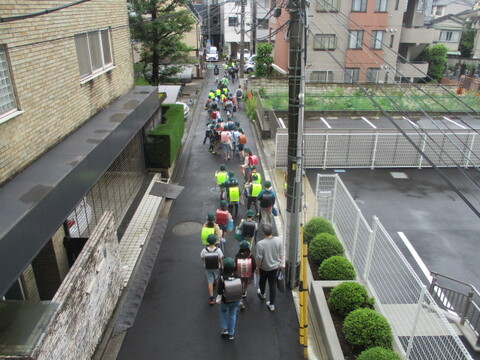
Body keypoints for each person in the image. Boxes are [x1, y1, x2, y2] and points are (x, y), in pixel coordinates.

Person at [255, 223, 284, 312]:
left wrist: (257, 268)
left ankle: (263, 294)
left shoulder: (260, 244)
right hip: (274, 267)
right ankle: (271, 304)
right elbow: (281, 253)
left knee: (262, 281)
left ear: (263, 232)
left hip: (264, 268)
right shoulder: (278, 240)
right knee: (272, 285)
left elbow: (259, 258)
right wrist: (280, 264)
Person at [218, 257, 242, 340]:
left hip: (225, 300)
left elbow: (219, 291)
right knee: (232, 315)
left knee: (223, 311)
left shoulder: (222, 277)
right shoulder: (238, 276)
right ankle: (231, 333)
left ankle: (224, 329)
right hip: (235, 299)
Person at [201, 234, 224, 305]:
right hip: (216, 266)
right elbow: (220, 259)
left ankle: (211, 297)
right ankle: (215, 282)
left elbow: (202, 258)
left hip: (208, 267)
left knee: (209, 280)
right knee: (216, 276)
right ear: (215, 242)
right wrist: (222, 265)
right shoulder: (218, 250)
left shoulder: (204, 250)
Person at [235, 240, 256, 310]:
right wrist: (252, 271)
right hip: (248, 273)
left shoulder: (238, 256)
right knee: (246, 282)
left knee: (240, 284)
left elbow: (235, 265)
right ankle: (244, 292)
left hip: (239, 274)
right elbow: (254, 265)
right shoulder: (250, 255)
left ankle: (240, 299)